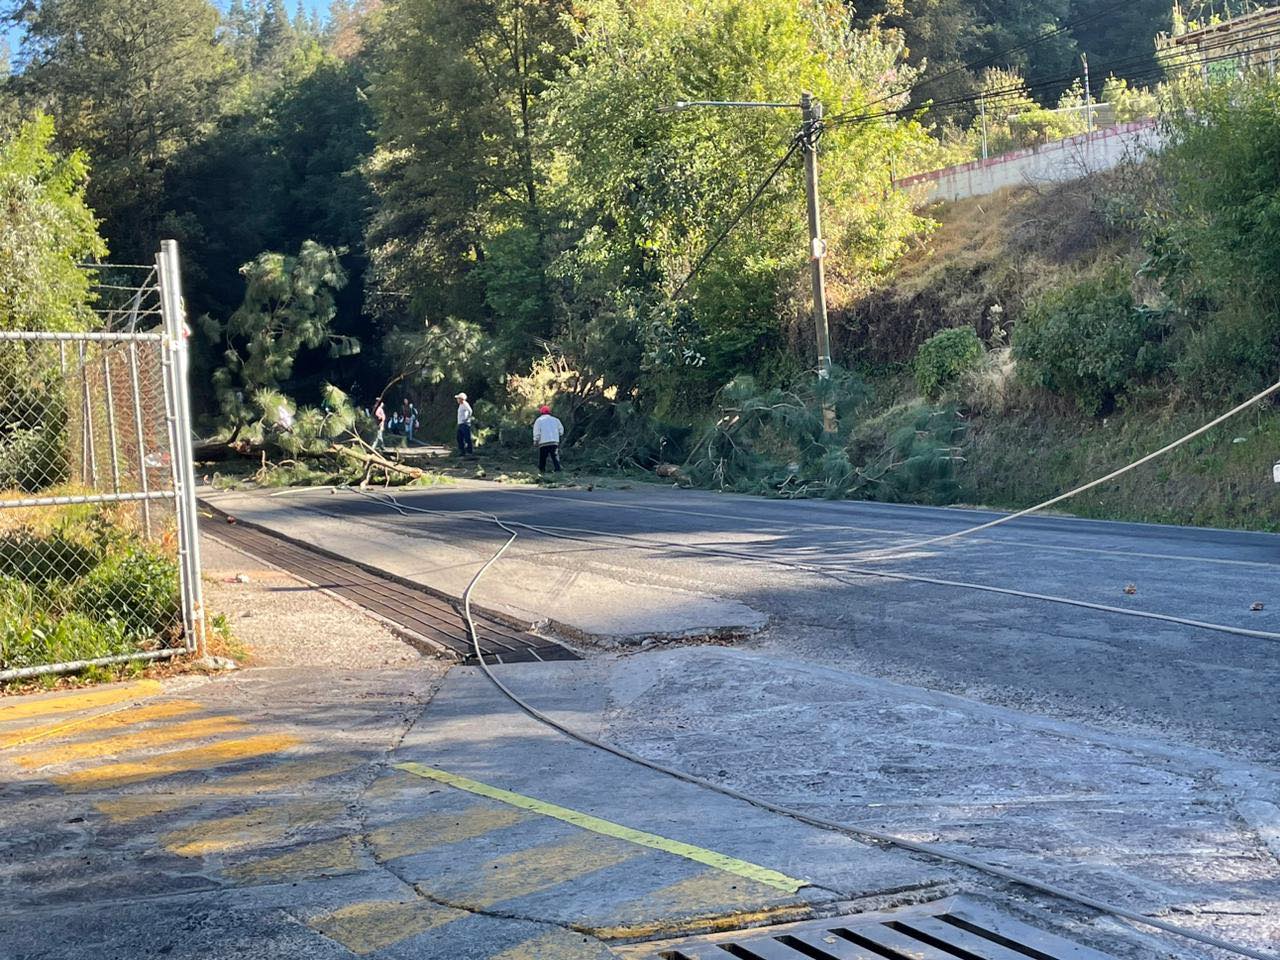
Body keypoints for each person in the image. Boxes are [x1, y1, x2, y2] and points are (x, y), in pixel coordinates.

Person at [532, 404, 564, 474]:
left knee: (542, 458)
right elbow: (561, 430)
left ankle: (542, 471)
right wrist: (558, 436)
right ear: (549, 412)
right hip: (554, 442)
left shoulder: (539, 420)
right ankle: (558, 471)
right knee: (555, 457)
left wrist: (535, 440)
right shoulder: (556, 420)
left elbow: (537, 431)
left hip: (543, 443)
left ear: (541, 412)